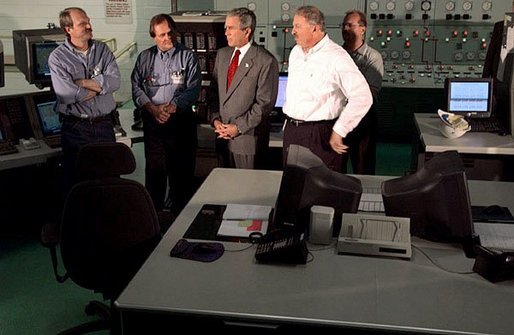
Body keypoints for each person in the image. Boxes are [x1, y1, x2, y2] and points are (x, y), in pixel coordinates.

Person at [282, 5, 372, 172]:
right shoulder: (296, 52)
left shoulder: (336, 57)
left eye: (297, 26)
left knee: (323, 191)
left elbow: (363, 96)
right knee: (293, 187)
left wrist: (340, 130)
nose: (292, 31)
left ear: (314, 28)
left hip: (319, 134)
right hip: (292, 132)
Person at [131, 14, 201, 216]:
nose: (167, 38)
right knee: (155, 177)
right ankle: (154, 224)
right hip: (154, 124)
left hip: (181, 123)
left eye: (170, 33)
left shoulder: (188, 56)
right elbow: (136, 87)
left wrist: (171, 107)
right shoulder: (145, 58)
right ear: (154, 36)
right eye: (162, 35)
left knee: (182, 178)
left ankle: (180, 224)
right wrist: (153, 109)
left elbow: (193, 89)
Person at [49, 7, 120, 188]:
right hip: (76, 130)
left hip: (105, 126)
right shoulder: (57, 58)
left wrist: (81, 83)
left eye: (88, 21)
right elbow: (67, 94)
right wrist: (99, 86)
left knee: (111, 182)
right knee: (81, 186)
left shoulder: (102, 50)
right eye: (83, 23)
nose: (89, 25)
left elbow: (114, 82)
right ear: (68, 29)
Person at [210, 7, 279, 169]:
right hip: (221, 137)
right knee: (223, 186)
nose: (226, 32)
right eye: (225, 28)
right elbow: (214, 92)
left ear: (246, 31)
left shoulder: (265, 61)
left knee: (246, 187)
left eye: (231, 28)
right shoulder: (222, 55)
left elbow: (264, 104)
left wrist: (238, 127)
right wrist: (215, 119)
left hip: (247, 140)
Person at [341, 9, 384, 175]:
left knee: (363, 168)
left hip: (363, 121)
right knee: (336, 168)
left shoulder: (373, 57)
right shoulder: (335, 54)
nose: (345, 29)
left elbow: (369, 93)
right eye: (344, 25)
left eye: (350, 25)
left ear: (363, 29)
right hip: (338, 120)